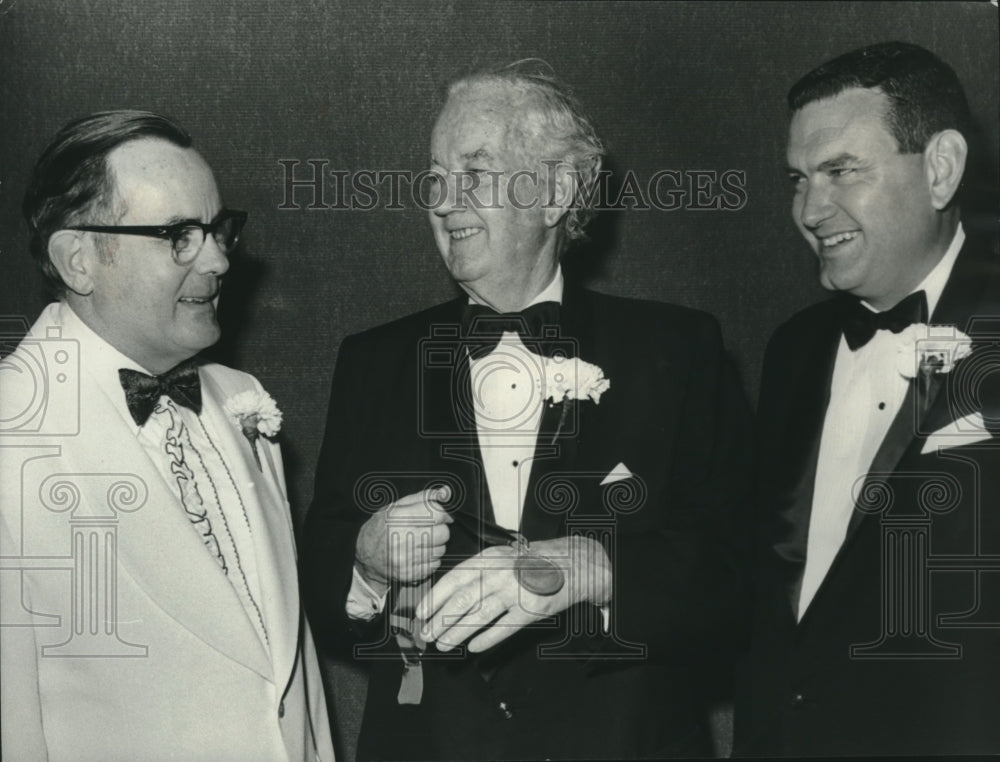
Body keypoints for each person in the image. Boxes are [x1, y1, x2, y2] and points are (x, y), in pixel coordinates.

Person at [302, 65, 752, 761]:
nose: (444, 202)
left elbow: (733, 582)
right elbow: (319, 586)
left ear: (556, 193)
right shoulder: (374, 361)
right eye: (434, 177)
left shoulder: (678, 349)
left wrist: (595, 567)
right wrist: (367, 564)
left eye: (475, 174)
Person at [0, 111, 335, 762]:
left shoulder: (237, 401)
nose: (217, 259)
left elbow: (293, 685)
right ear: (78, 260)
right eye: (178, 235)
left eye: (217, 230)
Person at [734, 42, 1000, 756]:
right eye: (797, 179)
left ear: (940, 169)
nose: (810, 210)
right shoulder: (795, 348)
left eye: (841, 172)